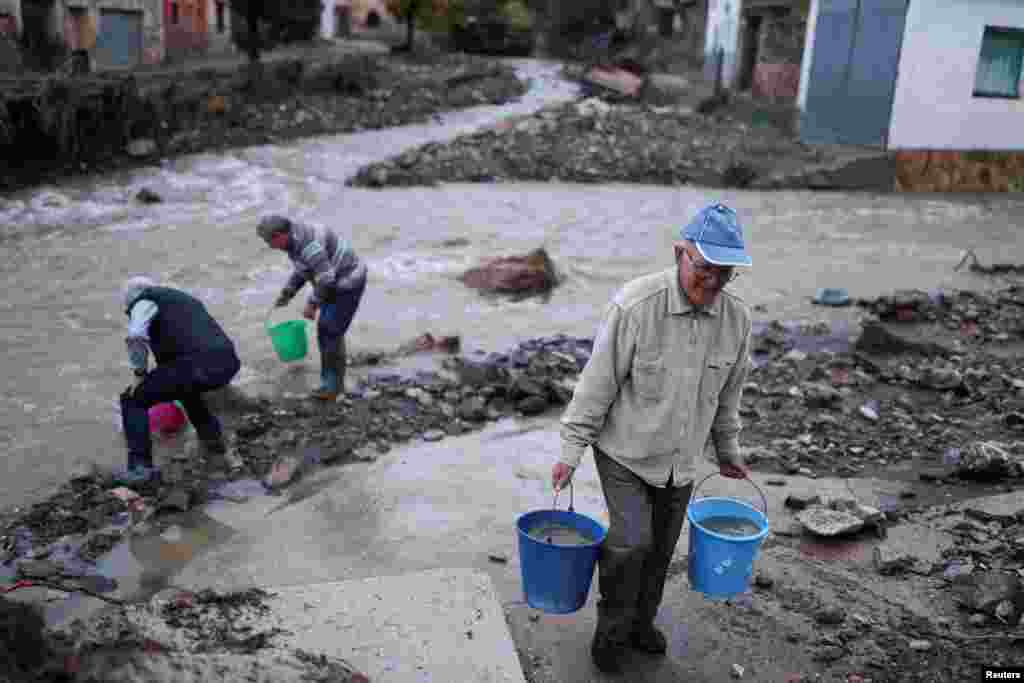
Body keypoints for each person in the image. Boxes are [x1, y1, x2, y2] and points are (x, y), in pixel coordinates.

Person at [551, 203, 754, 674]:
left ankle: (642, 623)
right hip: (623, 453)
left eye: (725, 272)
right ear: (679, 254)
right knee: (631, 543)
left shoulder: (737, 321)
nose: (714, 281)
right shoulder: (636, 305)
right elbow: (596, 384)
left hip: (681, 462)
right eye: (705, 267)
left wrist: (727, 450)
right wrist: (570, 451)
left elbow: (729, 396)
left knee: (662, 548)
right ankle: (611, 632)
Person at [120, 276, 241, 483]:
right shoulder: (184, 299)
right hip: (226, 361)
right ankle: (214, 445)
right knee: (184, 389)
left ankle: (140, 469)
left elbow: (135, 335)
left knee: (132, 399)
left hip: (196, 364)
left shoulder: (144, 301)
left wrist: (139, 374)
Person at [257, 215, 367, 401]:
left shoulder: (307, 246)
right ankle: (332, 382)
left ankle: (332, 388)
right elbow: (303, 269)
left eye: (269, 241)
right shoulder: (293, 239)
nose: (269, 245)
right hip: (334, 280)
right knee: (329, 330)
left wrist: (312, 305)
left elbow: (326, 277)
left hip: (348, 281)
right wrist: (286, 295)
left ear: (279, 236)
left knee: (329, 330)